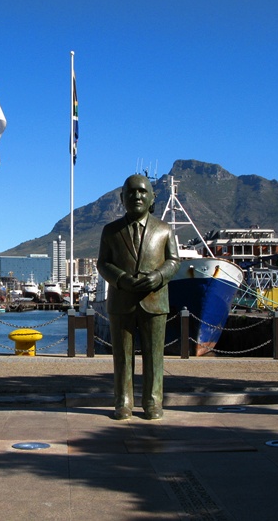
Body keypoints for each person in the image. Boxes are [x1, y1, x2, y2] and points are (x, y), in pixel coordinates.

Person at [97, 174, 180, 420]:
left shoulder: (164, 230)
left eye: (143, 191)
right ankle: (123, 401)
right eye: (131, 191)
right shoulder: (110, 231)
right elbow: (103, 263)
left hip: (155, 300)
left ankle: (153, 402)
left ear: (153, 197)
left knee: (154, 356)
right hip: (121, 300)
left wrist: (159, 276)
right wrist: (121, 278)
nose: (137, 196)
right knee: (122, 356)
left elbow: (174, 261)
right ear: (122, 197)